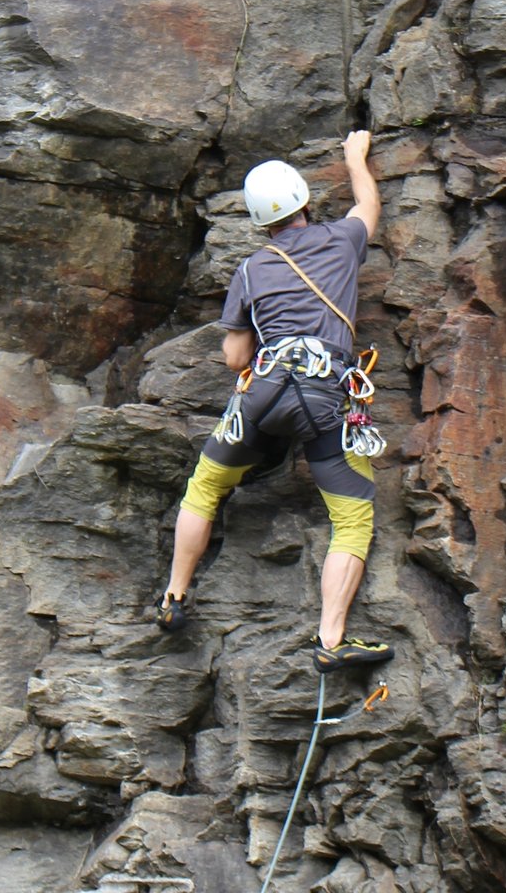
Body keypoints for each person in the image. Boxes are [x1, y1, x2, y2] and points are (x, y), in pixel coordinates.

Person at [155, 130, 393, 674]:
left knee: (206, 486)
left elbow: (236, 357)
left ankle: (173, 596)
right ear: (306, 203)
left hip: (263, 394)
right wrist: (355, 156)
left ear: (262, 223)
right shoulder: (341, 241)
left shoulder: (250, 270)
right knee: (352, 518)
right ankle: (331, 640)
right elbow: (368, 204)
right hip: (327, 396)